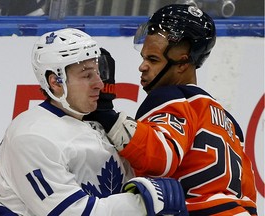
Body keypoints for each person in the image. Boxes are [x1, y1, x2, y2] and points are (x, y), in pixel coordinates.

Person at [0, 28, 188, 216]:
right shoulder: (32, 136)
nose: (99, 84)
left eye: (98, 73)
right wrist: (142, 204)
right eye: (87, 75)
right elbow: (72, 212)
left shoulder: (101, 129)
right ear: (55, 82)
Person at [85, 4, 258, 216]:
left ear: (182, 64)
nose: (142, 66)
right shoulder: (228, 121)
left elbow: (160, 158)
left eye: (153, 59)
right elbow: (248, 193)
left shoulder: (171, 98)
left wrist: (107, 116)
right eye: (144, 57)